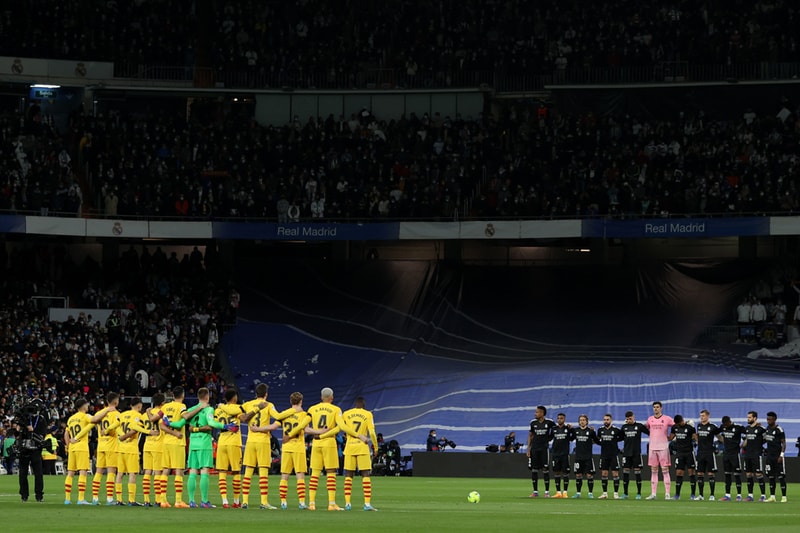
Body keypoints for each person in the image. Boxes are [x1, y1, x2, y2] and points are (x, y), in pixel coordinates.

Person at [305, 387, 364, 511]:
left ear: (321, 397)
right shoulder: (336, 410)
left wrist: (317, 433)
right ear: (332, 398)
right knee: (331, 473)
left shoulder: (312, 409)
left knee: (315, 474)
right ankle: (331, 504)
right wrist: (358, 435)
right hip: (329, 443)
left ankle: (311, 503)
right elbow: (342, 426)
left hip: (316, 443)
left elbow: (305, 428)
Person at [241, 383, 288, 509]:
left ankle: (244, 501)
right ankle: (264, 502)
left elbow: (242, 416)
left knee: (248, 471)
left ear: (256, 394)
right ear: (266, 394)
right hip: (263, 440)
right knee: (263, 471)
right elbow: (278, 417)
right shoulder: (269, 405)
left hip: (250, 441)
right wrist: (288, 414)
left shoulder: (248, 404)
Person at [160, 386, 208, 508]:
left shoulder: (165, 407)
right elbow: (186, 417)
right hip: (177, 442)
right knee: (179, 471)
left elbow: (161, 425)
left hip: (166, 442)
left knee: (165, 469)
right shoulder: (181, 406)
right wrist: (199, 408)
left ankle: (163, 500)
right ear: (182, 395)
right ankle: (178, 501)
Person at [64, 398, 117, 505]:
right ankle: (81, 499)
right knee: (83, 472)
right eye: (87, 405)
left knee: (70, 473)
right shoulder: (85, 416)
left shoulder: (71, 418)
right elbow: (94, 420)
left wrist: (68, 445)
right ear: (83, 406)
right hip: (82, 447)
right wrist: (107, 410)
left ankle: (67, 499)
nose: (88, 406)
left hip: (72, 447)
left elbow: (66, 433)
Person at [185, 387, 226, 508]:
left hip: (193, 444)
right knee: (204, 471)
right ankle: (204, 501)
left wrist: (195, 429)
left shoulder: (192, 409)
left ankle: (191, 501)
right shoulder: (209, 409)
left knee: (192, 471)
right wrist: (226, 426)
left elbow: (189, 425)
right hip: (204, 443)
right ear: (207, 397)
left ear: (198, 397)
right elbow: (211, 424)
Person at [214, 388, 254, 508]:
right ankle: (236, 501)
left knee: (222, 471)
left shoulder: (218, 410)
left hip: (221, 442)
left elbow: (216, 424)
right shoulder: (237, 409)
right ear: (235, 398)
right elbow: (244, 419)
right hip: (234, 443)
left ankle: (224, 501)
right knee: (236, 471)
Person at [115, 397, 156, 506]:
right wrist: (148, 431)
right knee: (132, 473)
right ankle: (131, 500)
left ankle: (118, 499)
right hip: (131, 448)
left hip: (121, 448)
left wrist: (121, 436)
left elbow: (115, 427)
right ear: (139, 406)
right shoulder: (139, 416)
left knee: (120, 473)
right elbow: (135, 428)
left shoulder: (122, 415)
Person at [341, 396, 378, 511]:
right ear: (364, 405)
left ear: (355, 404)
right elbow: (371, 432)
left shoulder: (346, 414)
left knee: (348, 475)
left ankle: (347, 503)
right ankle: (367, 504)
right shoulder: (368, 414)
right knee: (365, 474)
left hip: (350, 447)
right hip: (362, 447)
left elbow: (342, 428)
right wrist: (375, 447)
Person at [278, 392, 314, 509]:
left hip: (286, 447)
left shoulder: (285, 414)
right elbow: (307, 430)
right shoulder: (304, 415)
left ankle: (283, 502)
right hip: (298, 447)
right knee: (300, 475)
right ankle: (302, 503)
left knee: (284, 475)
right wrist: (321, 432)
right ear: (301, 401)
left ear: (290, 401)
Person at [15, 399, 52, 503]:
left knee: (38, 473)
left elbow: (42, 434)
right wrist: (21, 426)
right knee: (23, 473)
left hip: (36, 448)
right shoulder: (25, 419)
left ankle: (39, 495)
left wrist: (32, 430)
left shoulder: (41, 419)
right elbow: (17, 433)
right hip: (24, 448)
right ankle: (24, 495)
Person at [92, 392, 120, 505]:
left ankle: (95, 498)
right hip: (111, 445)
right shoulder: (116, 414)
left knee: (98, 472)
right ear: (115, 401)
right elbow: (115, 428)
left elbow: (93, 420)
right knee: (111, 472)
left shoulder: (100, 413)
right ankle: (109, 499)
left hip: (101, 445)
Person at [142, 392, 167, 507]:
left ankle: (146, 500)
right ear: (162, 403)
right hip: (158, 445)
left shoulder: (144, 414)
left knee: (147, 472)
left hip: (147, 445)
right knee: (158, 472)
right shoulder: (162, 413)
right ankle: (158, 500)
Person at [645, 401, 674, 499]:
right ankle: (653, 494)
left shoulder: (667, 419)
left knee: (665, 470)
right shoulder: (650, 419)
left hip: (663, 448)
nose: (656, 409)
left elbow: (675, 427)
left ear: (661, 408)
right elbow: (647, 428)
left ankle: (667, 494)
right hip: (652, 447)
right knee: (653, 471)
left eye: (657, 407)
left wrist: (671, 437)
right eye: (654, 407)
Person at [526, 405, 555, 497]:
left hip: (544, 449)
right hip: (534, 449)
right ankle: (535, 492)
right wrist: (528, 449)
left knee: (545, 469)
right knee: (534, 470)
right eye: (536, 412)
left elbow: (556, 431)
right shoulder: (533, 423)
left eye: (537, 412)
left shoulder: (549, 422)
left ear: (542, 413)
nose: (535, 413)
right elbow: (530, 435)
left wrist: (549, 439)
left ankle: (547, 492)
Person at [693, 409, 721, 501]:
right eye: (701, 416)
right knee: (700, 473)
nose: (702, 417)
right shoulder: (699, 426)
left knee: (710, 474)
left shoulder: (713, 426)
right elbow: (698, 437)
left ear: (708, 416)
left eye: (703, 416)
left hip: (709, 453)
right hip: (700, 453)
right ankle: (701, 495)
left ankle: (712, 495)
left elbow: (719, 437)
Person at [620, 410, 649, 499]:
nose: (629, 420)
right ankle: (625, 493)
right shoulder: (624, 427)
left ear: (634, 417)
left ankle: (639, 493)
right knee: (625, 473)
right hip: (626, 454)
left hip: (636, 453)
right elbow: (620, 437)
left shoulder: (639, 426)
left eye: (630, 418)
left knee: (637, 473)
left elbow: (650, 433)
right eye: (627, 419)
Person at [718, 415, 747, 501]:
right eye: (724, 425)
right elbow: (716, 433)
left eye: (726, 424)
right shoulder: (722, 427)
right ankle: (727, 495)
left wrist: (743, 444)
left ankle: (739, 495)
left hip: (735, 454)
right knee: (727, 475)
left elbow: (749, 433)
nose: (725, 426)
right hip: (726, 454)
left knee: (737, 475)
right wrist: (722, 440)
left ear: (729, 422)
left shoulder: (738, 427)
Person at [669, 415, 696, 500]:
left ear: (682, 420)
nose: (678, 425)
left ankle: (692, 495)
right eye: (677, 424)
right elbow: (671, 437)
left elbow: (695, 438)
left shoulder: (690, 428)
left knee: (691, 472)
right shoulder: (674, 427)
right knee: (679, 473)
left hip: (689, 453)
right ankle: (677, 495)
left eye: (679, 423)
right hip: (679, 453)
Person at [596, 413, 623, 499]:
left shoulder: (616, 430)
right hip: (604, 455)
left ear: (611, 420)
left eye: (607, 420)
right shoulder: (600, 430)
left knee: (615, 473)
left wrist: (614, 442)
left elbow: (622, 437)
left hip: (613, 455)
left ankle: (615, 493)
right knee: (604, 473)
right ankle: (604, 493)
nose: (606, 421)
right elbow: (598, 439)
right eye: (604, 420)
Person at [742, 410, 767, 502]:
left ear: (755, 418)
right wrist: (743, 445)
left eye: (749, 417)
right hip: (747, 454)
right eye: (748, 417)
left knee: (759, 474)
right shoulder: (747, 429)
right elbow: (746, 441)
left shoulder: (761, 429)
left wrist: (759, 445)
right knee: (748, 474)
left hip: (757, 455)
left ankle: (763, 496)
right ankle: (750, 495)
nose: (748, 419)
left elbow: (766, 439)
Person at [572, 414, 598, 498]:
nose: (582, 421)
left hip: (588, 457)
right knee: (578, 475)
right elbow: (570, 438)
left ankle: (590, 493)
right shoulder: (576, 431)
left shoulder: (590, 431)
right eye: (580, 420)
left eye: (583, 420)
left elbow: (596, 440)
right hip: (578, 457)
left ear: (587, 421)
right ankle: (578, 493)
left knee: (589, 475)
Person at [763, 411, 787, 503]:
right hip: (769, 457)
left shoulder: (779, 430)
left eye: (770, 419)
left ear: (775, 419)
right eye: (767, 419)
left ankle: (784, 497)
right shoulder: (767, 429)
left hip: (778, 457)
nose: (768, 421)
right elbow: (765, 440)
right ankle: (772, 496)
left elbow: (783, 443)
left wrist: (781, 455)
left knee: (781, 477)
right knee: (771, 477)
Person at [550, 413, 574, 498]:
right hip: (556, 454)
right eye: (559, 418)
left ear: (564, 419)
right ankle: (558, 492)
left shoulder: (568, 428)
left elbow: (572, 438)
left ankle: (565, 492)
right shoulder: (554, 429)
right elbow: (550, 438)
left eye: (561, 418)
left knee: (565, 472)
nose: (560, 420)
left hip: (565, 454)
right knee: (556, 472)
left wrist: (572, 429)